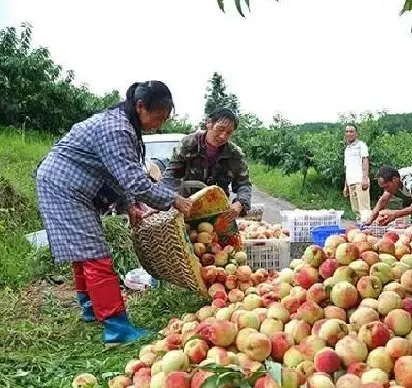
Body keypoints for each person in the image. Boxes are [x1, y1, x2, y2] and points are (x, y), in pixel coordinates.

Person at [35, 81, 194, 344]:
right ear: (141, 106)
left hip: (72, 186)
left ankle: (90, 308)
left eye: (165, 119)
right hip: (63, 186)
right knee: (95, 255)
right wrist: (174, 200)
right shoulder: (116, 128)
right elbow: (134, 180)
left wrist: (131, 204)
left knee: (83, 251)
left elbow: (122, 172)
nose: (160, 123)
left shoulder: (127, 126)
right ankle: (116, 328)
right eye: (158, 117)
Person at [162, 108, 252, 221]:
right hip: (186, 210)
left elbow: (244, 184)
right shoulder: (188, 144)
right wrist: (167, 199)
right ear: (209, 123)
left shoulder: (235, 154)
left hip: (217, 212)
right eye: (220, 129)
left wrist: (240, 203)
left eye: (229, 133)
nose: (223, 136)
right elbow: (171, 176)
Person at [342, 124, 371, 217]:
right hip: (351, 183)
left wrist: (365, 178)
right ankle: (359, 230)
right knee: (355, 210)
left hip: (360, 181)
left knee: (364, 210)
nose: (349, 133)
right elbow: (347, 168)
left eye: (351, 131)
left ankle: (368, 230)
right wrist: (345, 185)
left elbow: (365, 161)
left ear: (356, 133)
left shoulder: (361, 145)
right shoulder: (347, 149)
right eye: (347, 131)